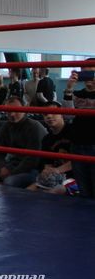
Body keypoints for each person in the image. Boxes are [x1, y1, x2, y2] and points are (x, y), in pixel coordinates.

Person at [62, 61, 95, 197]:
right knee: (84, 190)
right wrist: (69, 88)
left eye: (91, 72)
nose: (88, 76)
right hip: (77, 146)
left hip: (94, 145)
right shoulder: (76, 94)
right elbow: (67, 116)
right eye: (84, 72)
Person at [27, 101, 74, 194]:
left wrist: (57, 170)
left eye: (53, 112)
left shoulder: (74, 132)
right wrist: (47, 172)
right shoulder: (47, 139)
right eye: (45, 114)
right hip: (55, 176)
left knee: (53, 192)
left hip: (75, 177)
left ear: (61, 114)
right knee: (28, 191)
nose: (49, 116)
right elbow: (47, 164)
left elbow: (79, 160)